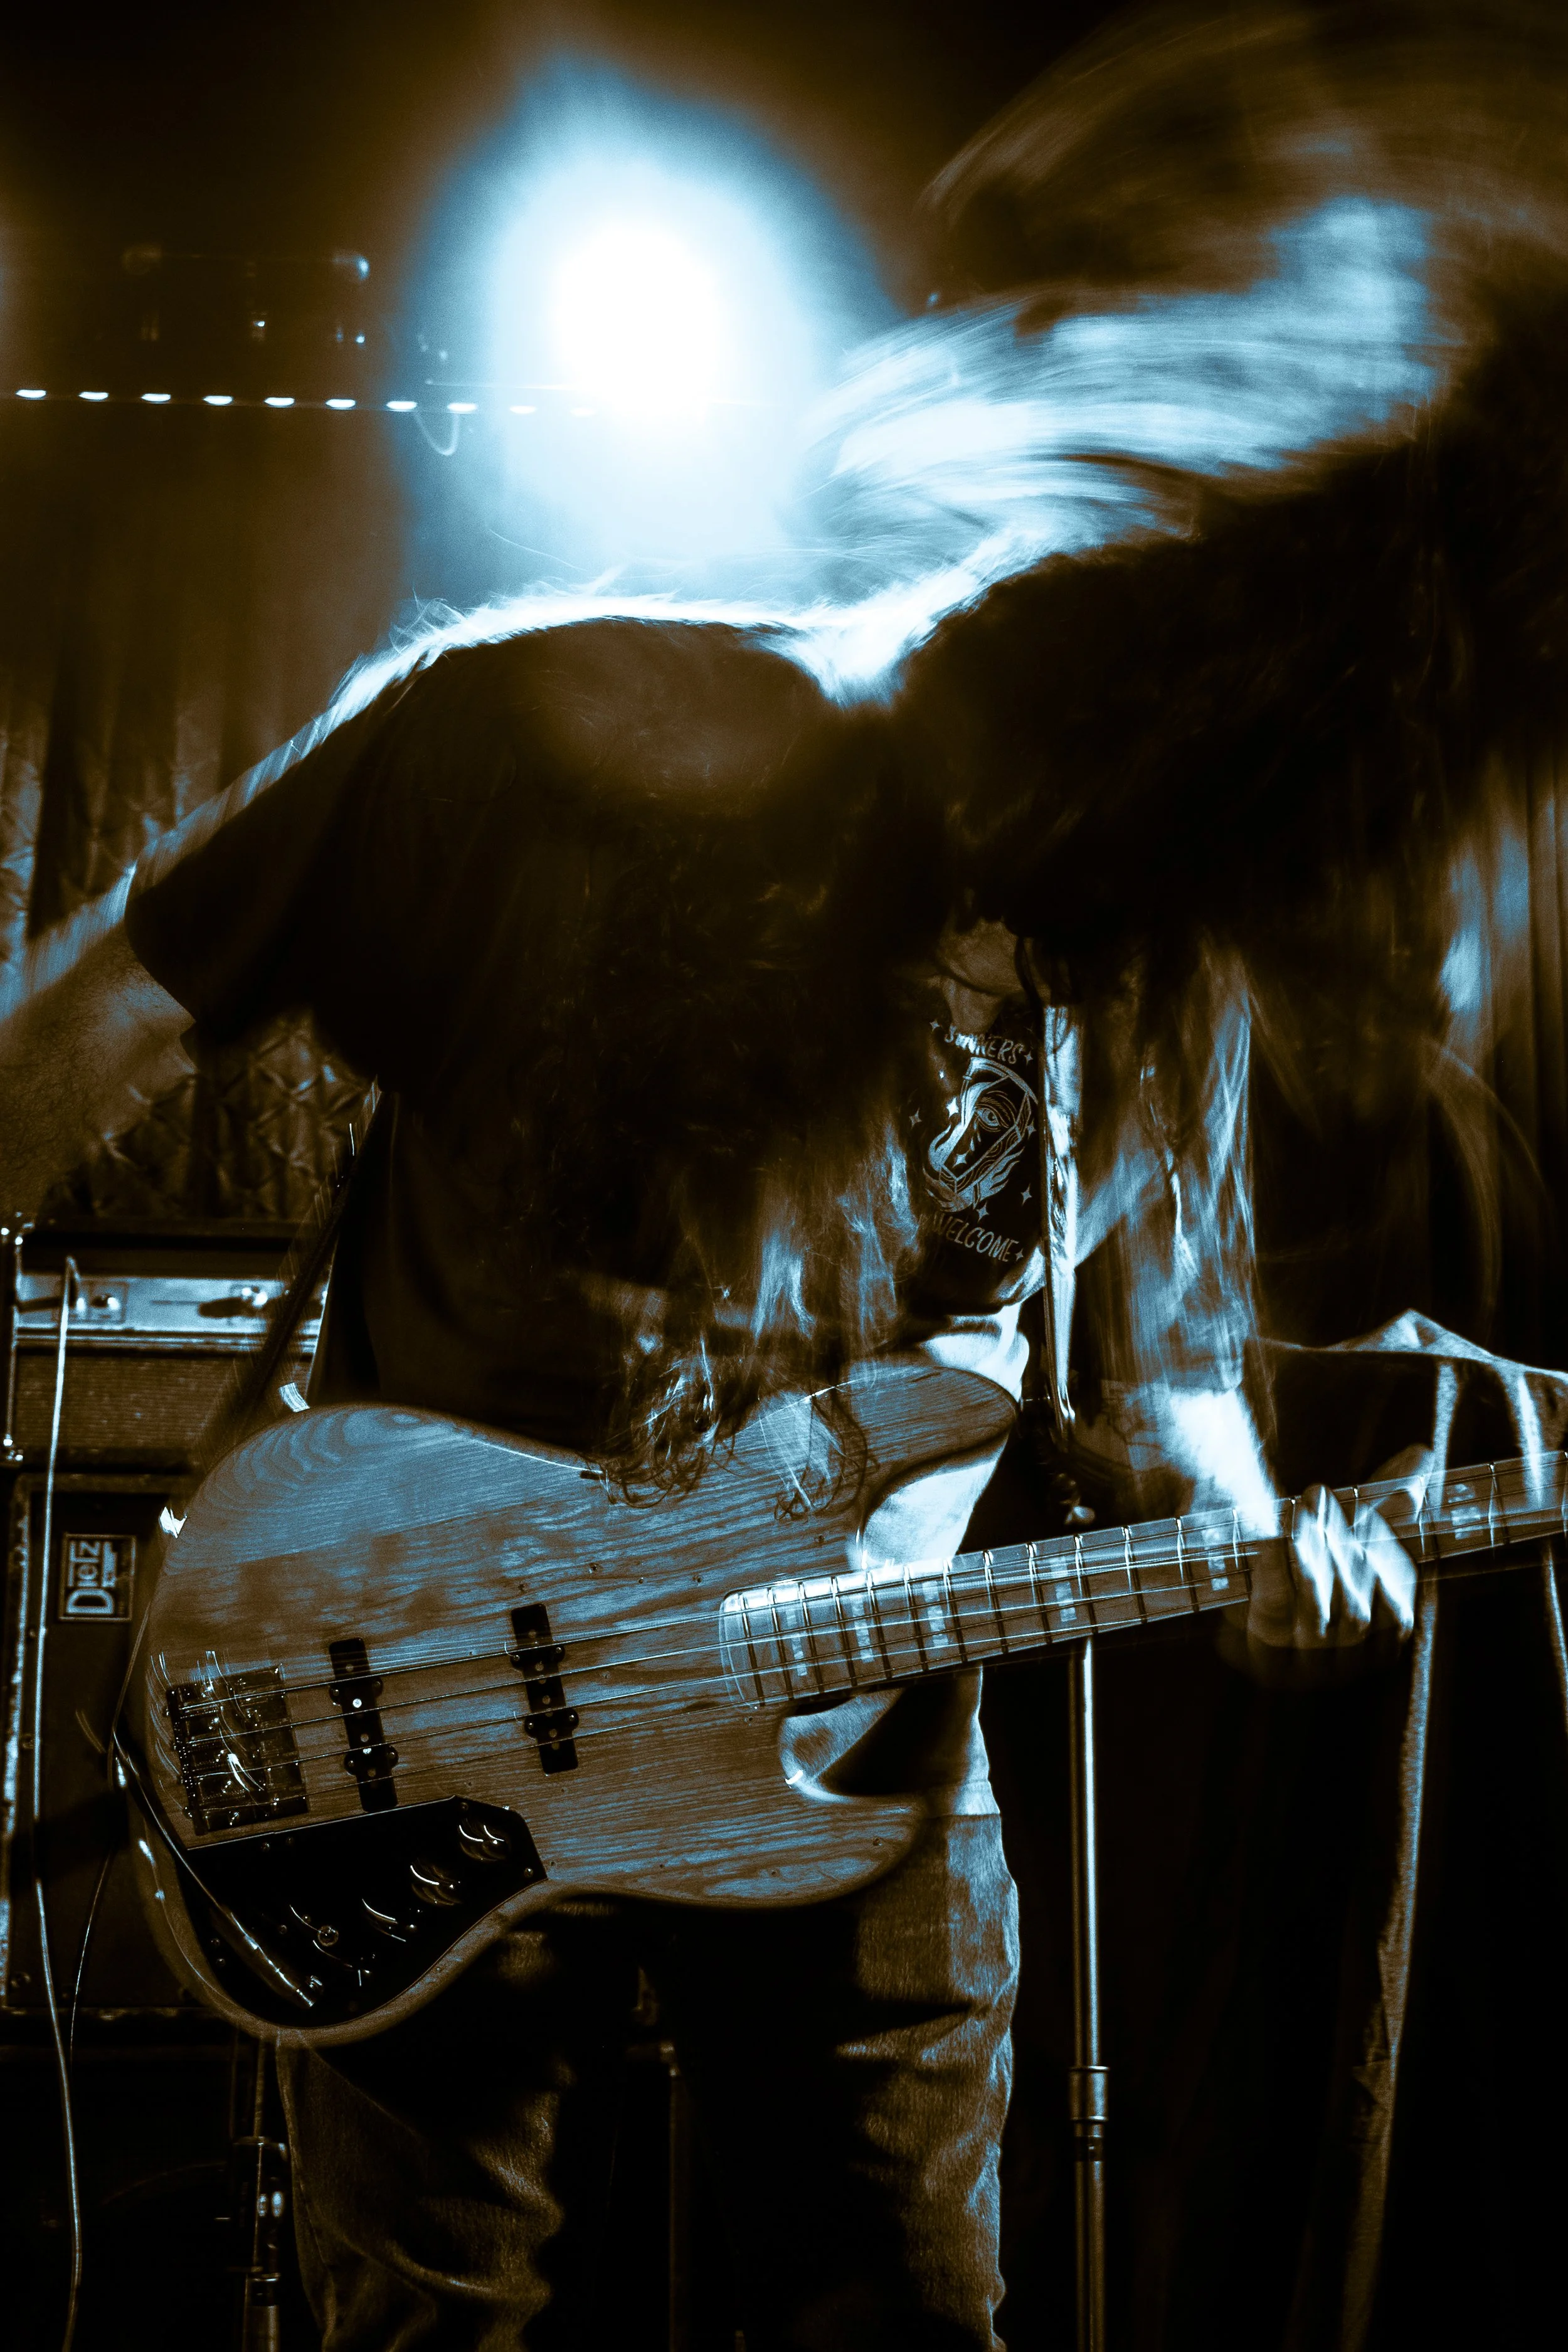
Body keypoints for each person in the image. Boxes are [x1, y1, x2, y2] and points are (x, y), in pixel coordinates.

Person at [12, 5, 1568, 2343]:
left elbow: (1148, 1356)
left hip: (861, 1779)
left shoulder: (1144, 938)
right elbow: (92, 1026)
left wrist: (1257, 1543)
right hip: (414, 1687)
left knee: (901, 2308)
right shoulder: (535, 720)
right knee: (431, 2319)